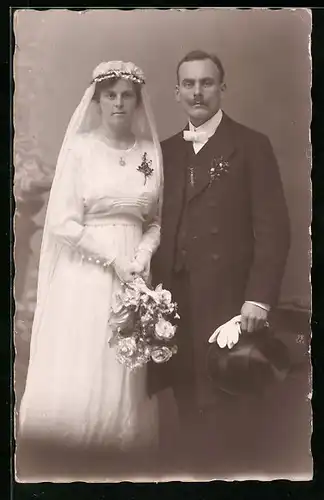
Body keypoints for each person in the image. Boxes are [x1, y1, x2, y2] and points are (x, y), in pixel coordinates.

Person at [17, 61, 163, 476]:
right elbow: (63, 223)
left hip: (134, 275)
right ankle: (68, 460)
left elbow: (154, 221)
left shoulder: (149, 154)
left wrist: (142, 255)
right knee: (85, 358)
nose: (118, 102)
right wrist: (115, 258)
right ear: (97, 101)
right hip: (87, 273)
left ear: (137, 102)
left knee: (124, 363)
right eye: (110, 95)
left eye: (126, 95)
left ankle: (116, 462)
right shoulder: (80, 150)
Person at [149, 50, 291, 473]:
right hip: (176, 304)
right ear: (176, 92)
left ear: (222, 88)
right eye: (188, 84)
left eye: (206, 83)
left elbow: (274, 231)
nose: (197, 92)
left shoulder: (250, 146)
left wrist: (259, 299)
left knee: (228, 408)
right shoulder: (165, 152)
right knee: (187, 403)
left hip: (228, 303)